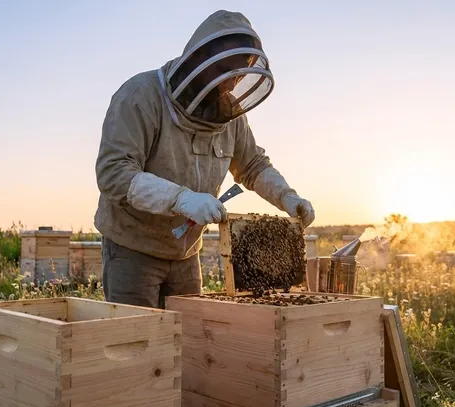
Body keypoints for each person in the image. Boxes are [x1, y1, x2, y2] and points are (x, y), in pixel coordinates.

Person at [94, 9, 315, 309]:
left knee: (190, 345)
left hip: (186, 255)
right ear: (201, 59)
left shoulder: (230, 115)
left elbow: (252, 165)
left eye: (239, 74)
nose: (232, 83)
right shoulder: (140, 96)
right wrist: (180, 199)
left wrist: (288, 198)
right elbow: (114, 173)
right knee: (136, 346)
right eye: (226, 70)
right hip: (133, 250)